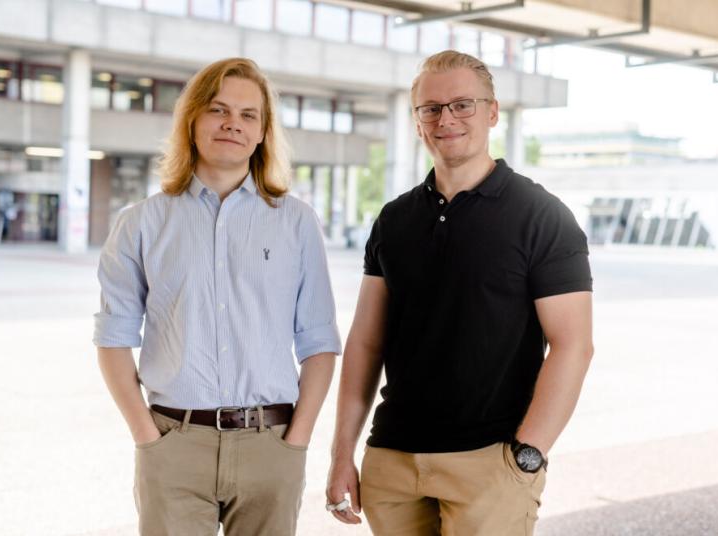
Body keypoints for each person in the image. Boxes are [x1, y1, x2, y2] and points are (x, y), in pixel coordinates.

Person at [326, 50, 594, 536]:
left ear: (492, 112)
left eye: (462, 105)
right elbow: (365, 341)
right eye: (431, 109)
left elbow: (574, 345)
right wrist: (342, 454)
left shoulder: (542, 216)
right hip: (393, 460)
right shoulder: (394, 219)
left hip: (488, 463)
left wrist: (527, 455)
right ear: (417, 122)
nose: (446, 118)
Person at [94, 57, 341, 536]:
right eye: (218, 109)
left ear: (264, 131)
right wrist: (148, 438)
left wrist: (296, 443)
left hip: (272, 445)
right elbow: (113, 339)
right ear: (192, 120)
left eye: (249, 114)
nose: (233, 123)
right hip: (173, 445)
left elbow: (319, 343)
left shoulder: (296, 222)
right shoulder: (141, 223)